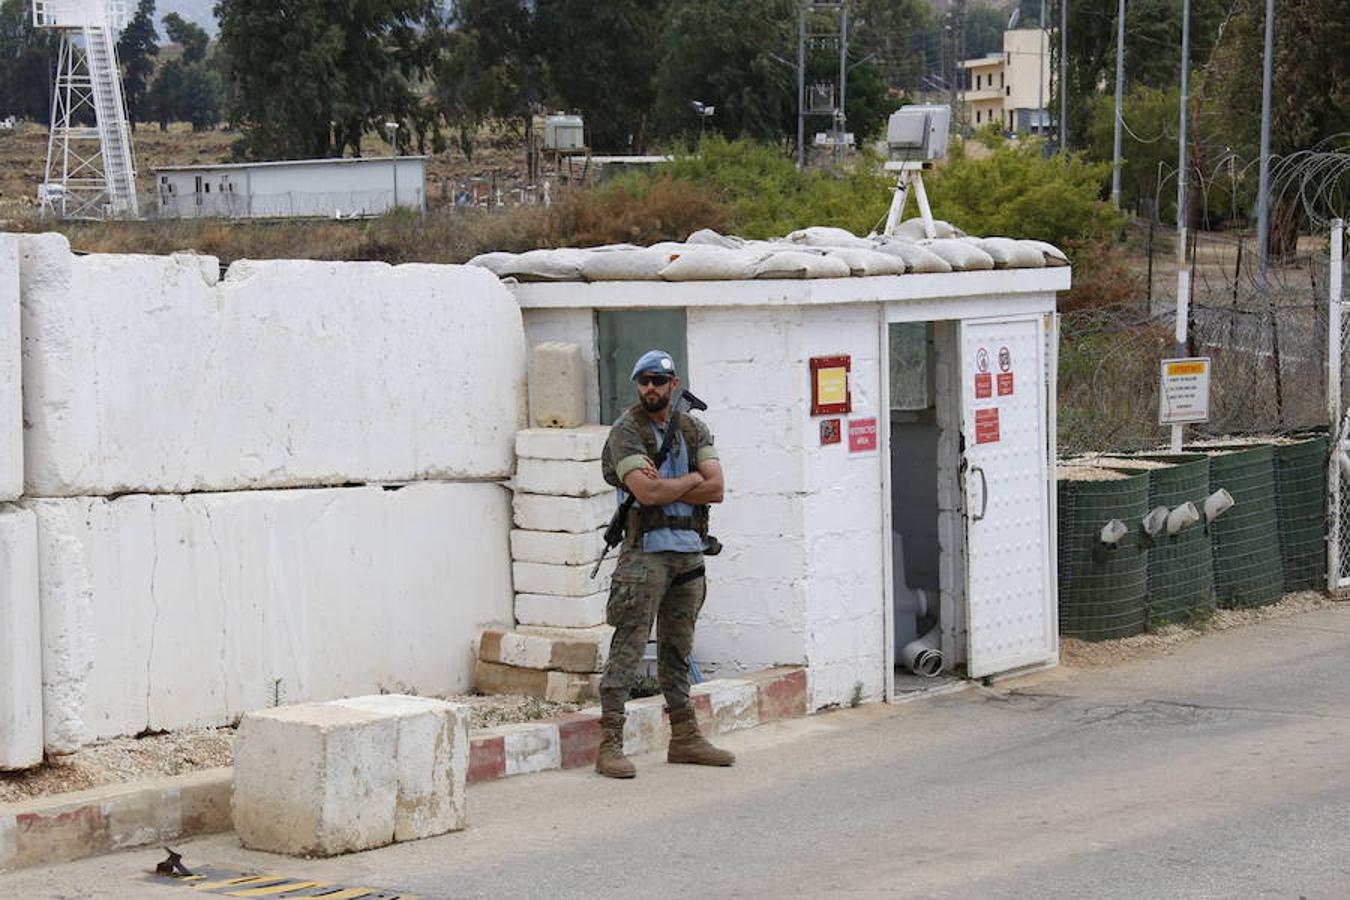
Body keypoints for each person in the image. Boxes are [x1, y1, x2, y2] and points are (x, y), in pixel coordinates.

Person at [595, 349, 734, 779]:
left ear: (674, 384)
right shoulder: (626, 432)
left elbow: (716, 489)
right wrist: (693, 479)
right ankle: (610, 742)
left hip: (688, 552)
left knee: (678, 647)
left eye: (658, 380)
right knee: (629, 646)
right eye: (643, 381)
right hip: (644, 555)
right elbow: (648, 494)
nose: (650, 388)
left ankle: (686, 737)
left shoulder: (693, 427)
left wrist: (686, 481)